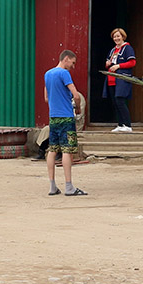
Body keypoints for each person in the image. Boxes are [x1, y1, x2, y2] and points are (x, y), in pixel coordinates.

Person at [44, 49, 87, 196]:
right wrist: (78, 109)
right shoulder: (64, 74)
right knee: (67, 151)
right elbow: (76, 95)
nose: (72, 66)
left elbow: (46, 98)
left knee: (52, 149)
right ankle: (69, 187)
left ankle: (52, 186)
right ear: (66, 58)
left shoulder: (47, 74)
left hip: (53, 117)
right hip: (66, 117)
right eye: (72, 63)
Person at [103, 27, 137, 132]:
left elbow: (132, 63)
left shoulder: (127, 48)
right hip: (111, 80)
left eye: (118, 36)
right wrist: (107, 64)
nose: (116, 38)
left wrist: (118, 66)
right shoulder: (113, 50)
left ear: (123, 36)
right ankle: (120, 124)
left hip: (121, 78)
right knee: (115, 102)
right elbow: (108, 64)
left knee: (120, 101)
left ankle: (127, 125)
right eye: (114, 36)